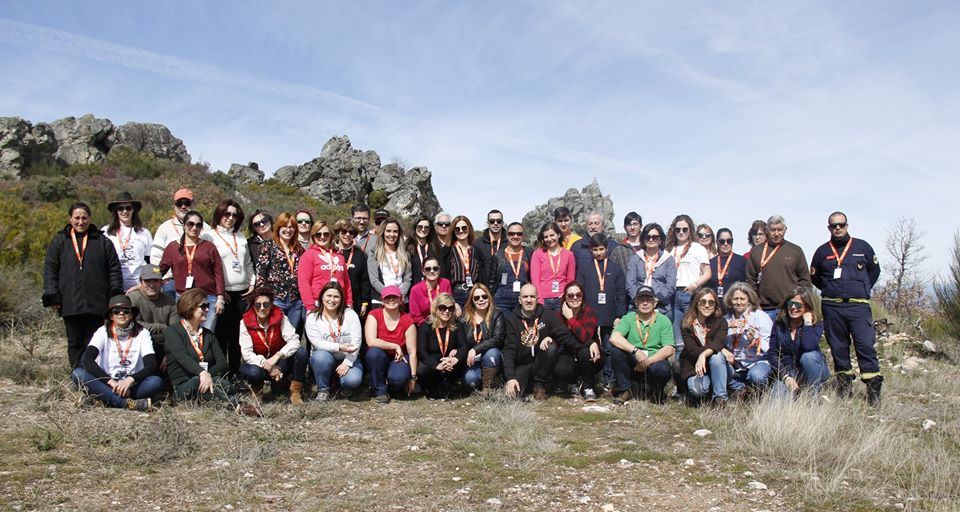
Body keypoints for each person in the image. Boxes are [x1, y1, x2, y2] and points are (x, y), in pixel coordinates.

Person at [810, 212, 883, 405]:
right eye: (834, 225)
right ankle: (844, 385)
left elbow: (874, 271)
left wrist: (861, 288)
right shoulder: (821, 251)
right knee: (838, 347)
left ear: (847, 225)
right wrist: (830, 289)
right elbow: (815, 277)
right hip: (832, 306)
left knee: (865, 345)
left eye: (841, 224)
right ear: (829, 228)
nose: (838, 228)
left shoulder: (862, 247)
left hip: (858, 306)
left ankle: (873, 388)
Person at [43, 202, 123, 369]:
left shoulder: (102, 242)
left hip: (97, 302)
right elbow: (50, 269)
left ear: (90, 219)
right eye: (77, 218)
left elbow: (114, 270)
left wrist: (114, 297)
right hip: (69, 301)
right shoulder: (59, 241)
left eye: (84, 218)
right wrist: (52, 295)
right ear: (70, 219)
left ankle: (94, 377)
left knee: (94, 342)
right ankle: (77, 376)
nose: (81, 222)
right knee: (75, 342)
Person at [71, 295, 163, 411]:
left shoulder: (142, 333)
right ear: (111, 316)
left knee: (155, 382)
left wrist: (130, 380)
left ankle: (104, 399)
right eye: (116, 311)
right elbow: (88, 359)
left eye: (126, 311)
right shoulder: (102, 332)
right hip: (106, 383)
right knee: (78, 374)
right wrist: (111, 382)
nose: (121, 314)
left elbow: (151, 364)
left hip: (131, 385)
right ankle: (125, 403)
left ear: (131, 314)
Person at [164, 289, 242, 408]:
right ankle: (234, 405)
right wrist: (201, 373)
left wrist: (207, 375)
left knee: (222, 382)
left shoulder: (208, 334)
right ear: (190, 307)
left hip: (206, 380)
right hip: (183, 386)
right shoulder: (173, 332)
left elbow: (222, 363)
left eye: (208, 305)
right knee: (197, 381)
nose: (207, 309)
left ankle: (230, 403)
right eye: (203, 306)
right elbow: (183, 358)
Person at [204, 199, 256, 375]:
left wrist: (252, 282)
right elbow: (207, 267)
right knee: (220, 336)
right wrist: (218, 290)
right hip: (221, 294)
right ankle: (221, 374)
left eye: (234, 215)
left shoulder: (240, 237)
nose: (230, 218)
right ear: (219, 214)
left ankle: (235, 372)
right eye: (227, 214)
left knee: (237, 336)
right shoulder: (209, 236)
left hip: (242, 293)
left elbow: (247, 262)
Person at [502, 283, 577, 400]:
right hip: (523, 365)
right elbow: (509, 350)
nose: (528, 300)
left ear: (537, 299)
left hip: (542, 363)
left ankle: (540, 385)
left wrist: (589, 344)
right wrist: (510, 378)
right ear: (519, 300)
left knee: (551, 346)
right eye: (525, 297)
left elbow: (566, 336)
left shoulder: (548, 315)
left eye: (532, 297)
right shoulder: (512, 319)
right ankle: (529, 384)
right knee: (513, 395)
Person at [576, 232, 628, 390]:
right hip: (589, 314)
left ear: (607, 249)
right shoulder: (585, 268)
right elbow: (580, 291)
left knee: (608, 347)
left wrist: (619, 315)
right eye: (595, 250)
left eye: (601, 249)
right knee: (587, 346)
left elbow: (621, 294)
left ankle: (608, 378)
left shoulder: (615, 269)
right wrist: (581, 312)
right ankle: (587, 378)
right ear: (590, 250)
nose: (598, 253)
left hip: (610, 315)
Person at [159, 210, 225, 331]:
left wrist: (220, 298)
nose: (194, 228)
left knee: (206, 333)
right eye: (190, 224)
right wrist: (143, 283)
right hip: (184, 297)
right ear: (184, 225)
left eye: (198, 225)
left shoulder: (209, 247)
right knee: (186, 334)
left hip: (208, 297)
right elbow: (160, 269)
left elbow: (218, 273)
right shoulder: (173, 247)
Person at [608, 286, 676, 404]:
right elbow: (614, 337)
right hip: (633, 363)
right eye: (641, 299)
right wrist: (636, 351)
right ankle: (625, 389)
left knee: (663, 368)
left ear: (655, 303)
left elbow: (669, 348)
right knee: (616, 352)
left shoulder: (664, 320)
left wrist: (647, 361)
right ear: (636, 302)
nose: (645, 303)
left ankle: (657, 392)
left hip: (653, 362)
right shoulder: (628, 318)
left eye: (648, 300)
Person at [238, 287, 305, 402]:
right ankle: (257, 389)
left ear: (271, 305)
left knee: (301, 353)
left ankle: (295, 391)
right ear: (253, 306)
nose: (262, 308)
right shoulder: (245, 322)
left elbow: (294, 340)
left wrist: (277, 356)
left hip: (279, 361)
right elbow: (247, 353)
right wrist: (268, 366)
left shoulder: (281, 317)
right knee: (253, 372)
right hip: (258, 364)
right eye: (258, 305)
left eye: (266, 304)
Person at [709, 282, 773, 402]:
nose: (739, 302)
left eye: (742, 299)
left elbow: (770, 348)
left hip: (757, 362)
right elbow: (713, 340)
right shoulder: (726, 319)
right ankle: (729, 395)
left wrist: (755, 340)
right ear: (730, 300)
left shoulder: (760, 317)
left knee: (757, 376)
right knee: (716, 363)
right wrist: (726, 328)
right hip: (736, 365)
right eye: (735, 299)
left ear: (749, 300)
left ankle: (755, 397)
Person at [745, 215, 811, 322]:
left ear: (785, 230)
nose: (776, 233)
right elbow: (750, 281)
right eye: (773, 230)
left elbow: (805, 281)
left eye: (780, 230)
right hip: (764, 310)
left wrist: (801, 304)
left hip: (790, 309)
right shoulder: (756, 251)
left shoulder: (795, 251)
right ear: (767, 230)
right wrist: (756, 304)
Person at [305, 282, 363, 401]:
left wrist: (347, 362)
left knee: (353, 380)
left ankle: (342, 384)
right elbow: (317, 343)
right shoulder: (313, 317)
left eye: (336, 296)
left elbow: (356, 341)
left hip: (347, 357)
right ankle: (323, 389)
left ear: (341, 299)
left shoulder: (350, 314)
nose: (332, 300)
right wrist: (340, 346)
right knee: (320, 357)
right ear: (322, 297)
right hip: (324, 358)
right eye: (329, 296)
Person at [769, 286, 830, 398]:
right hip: (789, 372)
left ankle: (814, 395)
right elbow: (772, 354)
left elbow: (809, 346)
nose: (793, 307)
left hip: (813, 370)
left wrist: (807, 323)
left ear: (807, 307)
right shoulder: (778, 324)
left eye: (797, 305)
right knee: (776, 404)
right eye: (790, 304)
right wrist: (785, 376)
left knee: (808, 356)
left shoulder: (816, 324)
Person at [150, 188, 210, 297]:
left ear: (193, 204)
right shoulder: (164, 228)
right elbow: (155, 258)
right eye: (179, 203)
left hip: (199, 281)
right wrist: (161, 279)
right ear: (174, 206)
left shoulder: (205, 228)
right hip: (171, 282)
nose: (183, 207)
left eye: (187, 203)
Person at [364, 285, 417, 403]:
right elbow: (371, 341)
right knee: (373, 353)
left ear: (401, 299)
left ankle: (390, 385)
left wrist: (413, 378)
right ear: (382, 300)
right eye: (388, 297)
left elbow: (412, 352)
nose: (391, 300)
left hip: (399, 357)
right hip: (379, 355)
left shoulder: (407, 320)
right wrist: (395, 346)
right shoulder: (374, 314)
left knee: (398, 379)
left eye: (395, 297)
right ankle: (380, 390)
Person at [665, 214, 712, 349]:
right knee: (678, 340)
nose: (681, 232)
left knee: (692, 336)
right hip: (672, 296)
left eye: (684, 229)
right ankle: (679, 369)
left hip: (690, 294)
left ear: (690, 230)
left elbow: (707, 273)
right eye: (678, 230)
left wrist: (695, 285)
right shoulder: (669, 249)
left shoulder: (697, 248)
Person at [255, 212, 306, 330]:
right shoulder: (268, 245)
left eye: (291, 227)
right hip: (276, 298)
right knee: (275, 333)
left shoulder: (298, 248)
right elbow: (261, 273)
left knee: (292, 334)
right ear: (278, 227)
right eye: (285, 226)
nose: (288, 230)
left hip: (295, 299)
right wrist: (261, 296)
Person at [678, 288, 728, 406]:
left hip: (718, 366)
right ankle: (711, 389)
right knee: (698, 391)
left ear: (715, 305)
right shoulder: (686, 323)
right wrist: (707, 351)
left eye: (711, 302)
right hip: (695, 367)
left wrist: (703, 354)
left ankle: (720, 399)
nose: (707, 305)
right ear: (696, 304)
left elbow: (719, 343)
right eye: (703, 302)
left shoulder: (721, 322)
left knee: (717, 357)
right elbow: (692, 350)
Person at [556, 282, 603, 401]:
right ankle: (575, 382)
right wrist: (590, 343)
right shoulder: (559, 316)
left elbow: (585, 336)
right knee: (560, 368)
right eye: (571, 295)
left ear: (583, 296)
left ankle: (588, 386)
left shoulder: (590, 313)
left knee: (585, 352)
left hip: (591, 357)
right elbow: (564, 338)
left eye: (578, 294)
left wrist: (570, 319)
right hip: (569, 354)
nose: (575, 298)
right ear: (565, 298)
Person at [417, 293, 467, 399]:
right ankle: (430, 387)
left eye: (450, 308)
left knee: (462, 361)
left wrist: (455, 359)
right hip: (433, 362)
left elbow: (463, 346)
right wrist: (437, 365)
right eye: (442, 308)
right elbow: (422, 352)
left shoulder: (457, 325)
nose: (447, 311)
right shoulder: (426, 326)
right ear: (436, 308)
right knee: (422, 369)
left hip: (450, 361)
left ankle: (449, 385)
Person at [103, 192, 153, 291]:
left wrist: (143, 284)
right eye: (120, 208)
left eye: (128, 208)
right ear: (116, 211)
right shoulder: (106, 232)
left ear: (133, 210)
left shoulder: (144, 233)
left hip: (139, 287)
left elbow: (149, 262)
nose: (125, 211)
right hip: (114, 287)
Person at [299, 221, 353, 313]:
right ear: (313, 236)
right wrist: (310, 306)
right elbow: (304, 283)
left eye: (326, 234)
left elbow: (346, 283)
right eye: (318, 234)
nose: (322, 237)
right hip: (317, 305)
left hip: (338, 305)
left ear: (331, 236)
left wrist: (349, 302)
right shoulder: (308, 255)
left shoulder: (339, 256)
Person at [127, 264, 179, 359]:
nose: (151, 285)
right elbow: (131, 325)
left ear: (162, 282)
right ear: (141, 282)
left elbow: (174, 331)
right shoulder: (132, 299)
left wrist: (169, 354)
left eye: (155, 281)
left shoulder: (170, 302)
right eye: (147, 281)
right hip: (136, 347)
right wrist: (160, 327)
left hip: (164, 347)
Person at [461, 283, 505, 391]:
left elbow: (498, 339)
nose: (481, 300)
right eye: (476, 298)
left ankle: (488, 389)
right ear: (472, 300)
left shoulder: (497, 314)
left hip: (491, 356)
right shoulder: (464, 318)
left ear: (489, 298)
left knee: (492, 352)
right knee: (470, 381)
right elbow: (460, 342)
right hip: (473, 361)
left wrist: (475, 349)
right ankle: (490, 380)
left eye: (484, 296)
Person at [626, 223, 676, 316]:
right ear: (643, 240)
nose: (651, 239)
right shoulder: (636, 258)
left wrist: (656, 300)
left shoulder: (668, 259)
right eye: (648, 237)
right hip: (637, 305)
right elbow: (630, 283)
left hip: (661, 308)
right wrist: (640, 300)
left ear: (661, 240)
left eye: (655, 237)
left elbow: (670, 285)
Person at [529, 222, 575, 311]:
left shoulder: (569, 255)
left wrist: (566, 296)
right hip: (543, 300)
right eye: (546, 237)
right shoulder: (537, 254)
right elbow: (535, 280)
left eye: (552, 235)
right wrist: (540, 300)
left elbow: (570, 279)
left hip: (561, 300)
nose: (549, 239)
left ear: (558, 235)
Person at [367, 217, 412, 306]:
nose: (392, 234)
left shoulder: (405, 254)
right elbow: (374, 280)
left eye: (395, 231)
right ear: (383, 232)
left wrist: (400, 295)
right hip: (381, 300)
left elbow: (407, 279)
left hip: (401, 301)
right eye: (388, 231)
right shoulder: (374, 253)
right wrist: (389, 295)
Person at [491, 222, 533, 314]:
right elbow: (492, 280)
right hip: (501, 301)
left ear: (523, 236)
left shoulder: (529, 253)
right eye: (511, 233)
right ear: (506, 235)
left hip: (523, 299)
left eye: (519, 234)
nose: (515, 236)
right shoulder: (498, 255)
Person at [334, 218, 371, 318]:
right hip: (332, 300)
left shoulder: (360, 255)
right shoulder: (331, 251)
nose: (347, 235)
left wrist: (365, 303)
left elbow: (365, 281)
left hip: (355, 302)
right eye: (344, 232)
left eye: (351, 232)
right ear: (338, 233)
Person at [445, 215, 480, 307]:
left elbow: (482, 275)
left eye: (464, 228)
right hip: (456, 294)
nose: (461, 231)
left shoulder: (476, 250)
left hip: (473, 294)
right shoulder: (447, 250)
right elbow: (444, 277)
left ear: (469, 229)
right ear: (453, 231)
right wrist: (450, 300)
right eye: (457, 229)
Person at [408, 256, 453, 326]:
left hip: (444, 323)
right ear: (423, 271)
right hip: (424, 326)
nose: (432, 271)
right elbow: (415, 316)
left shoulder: (445, 283)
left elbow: (449, 306)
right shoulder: (415, 290)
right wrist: (430, 327)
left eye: (435, 268)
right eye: (428, 269)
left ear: (439, 270)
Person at [705, 228, 747, 301]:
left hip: (735, 306)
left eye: (729, 241)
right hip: (715, 306)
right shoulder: (710, 263)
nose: (726, 244)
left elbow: (748, 285)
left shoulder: (742, 261)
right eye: (722, 241)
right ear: (717, 242)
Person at [474, 209, 506, 293]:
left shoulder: (509, 244)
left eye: (498, 221)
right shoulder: (478, 243)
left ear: (502, 223)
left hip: (503, 289)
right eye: (492, 221)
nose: (495, 223)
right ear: (487, 223)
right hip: (483, 290)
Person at [407, 215, 441, 285]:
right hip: (414, 289)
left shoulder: (435, 247)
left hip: (433, 288)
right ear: (415, 228)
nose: (423, 229)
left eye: (426, 227)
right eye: (420, 226)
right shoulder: (408, 247)